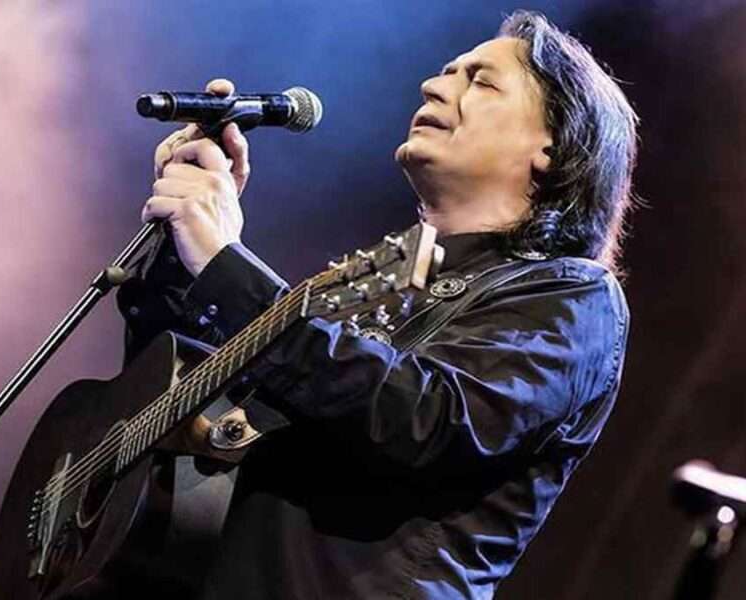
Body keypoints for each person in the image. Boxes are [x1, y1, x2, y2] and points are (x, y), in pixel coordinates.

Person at [117, 10, 637, 599]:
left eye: (481, 81)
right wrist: (182, 244)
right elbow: (175, 399)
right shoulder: (378, 287)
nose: (434, 85)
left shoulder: (575, 295)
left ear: (553, 148)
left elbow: (428, 418)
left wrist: (225, 264)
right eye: (447, 72)